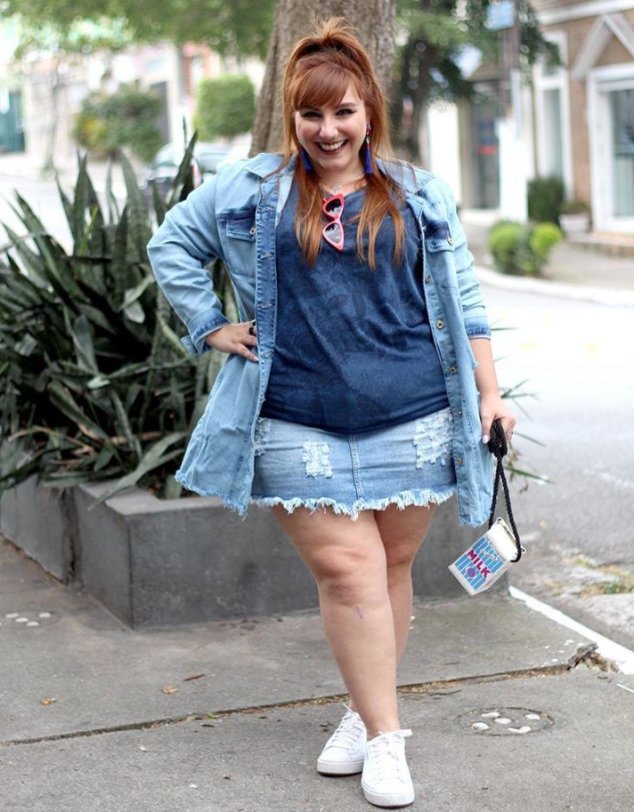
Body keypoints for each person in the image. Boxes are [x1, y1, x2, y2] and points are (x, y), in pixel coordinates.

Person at [148, 17, 516, 810]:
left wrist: (489, 394)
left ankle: (361, 712)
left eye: (343, 111)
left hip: (413, 416)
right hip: (293, 419)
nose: (327, 129)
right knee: (347, 572)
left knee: (385, 572)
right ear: (293, 116)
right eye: (312, 114)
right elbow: (172, 244)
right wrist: (209, 324)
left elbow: (467, 306)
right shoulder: (250, 189)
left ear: (368, 111)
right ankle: (388, 743)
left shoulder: (417, 193)